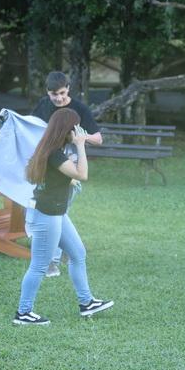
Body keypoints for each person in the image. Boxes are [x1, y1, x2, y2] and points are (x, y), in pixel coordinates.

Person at [13, 108, 113, 325]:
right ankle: (23, 313)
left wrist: (69, 176)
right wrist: (81, 144)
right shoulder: (54, 153)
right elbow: (82, 174)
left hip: (56, 212)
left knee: (78, 254)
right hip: (46, 214)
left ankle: (86, 302)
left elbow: (65, 176)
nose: (78, 131)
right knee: (39, 266)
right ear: (67, 129)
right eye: (76, 127)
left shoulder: (53, 149)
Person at [31, 71, 103, 277]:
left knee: (58, 211)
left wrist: (77, 138)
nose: (59, 98)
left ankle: (52, 261)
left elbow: (98, 139)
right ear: (47, 92)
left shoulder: (79, 108)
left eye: (62, 93)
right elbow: (31, 127)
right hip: (47, 167)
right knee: (53, 213)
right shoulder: (43, 105)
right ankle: (60, 251)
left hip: (70, 170)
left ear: (68, 89)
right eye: (54, 94)